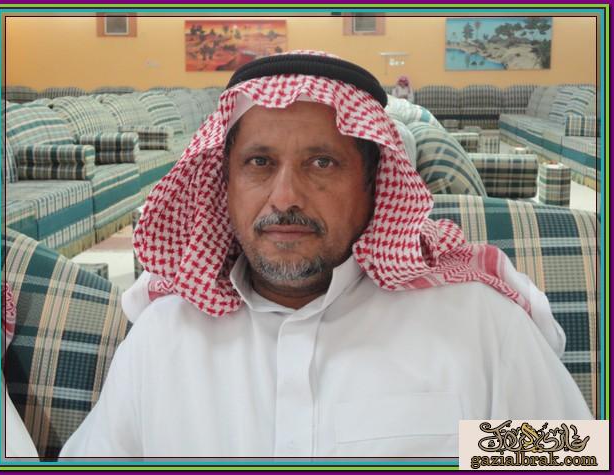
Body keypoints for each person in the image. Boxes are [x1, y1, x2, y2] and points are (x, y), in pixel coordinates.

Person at [60, 51, 591, 459]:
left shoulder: (478, 327)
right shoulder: (162, 340)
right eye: (259, 163)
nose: (285, 197)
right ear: (225, 185)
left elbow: (561, 462)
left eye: (321, 163)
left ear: (374, 185)